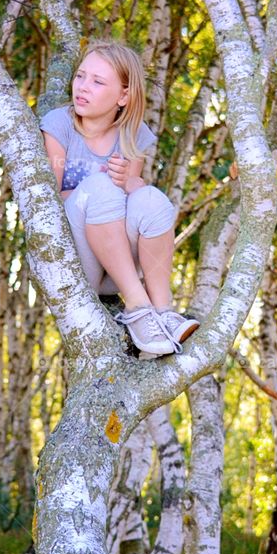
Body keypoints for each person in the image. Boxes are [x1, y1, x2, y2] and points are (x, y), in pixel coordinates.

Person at [40, 40, 198, 358]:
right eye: (81, 76)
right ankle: (138, 310)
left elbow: (132, 206)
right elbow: (48, 202)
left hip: (115, 264)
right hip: (76, 261)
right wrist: (98, 189)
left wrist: (131, 182)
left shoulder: (132, 134)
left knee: (152, 197)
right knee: (100, 187)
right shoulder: (59, 125)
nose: (83, 87)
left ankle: (163, 310)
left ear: (124, 96)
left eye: (98, 82)